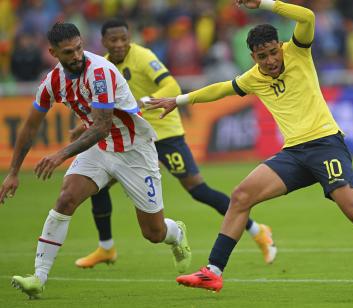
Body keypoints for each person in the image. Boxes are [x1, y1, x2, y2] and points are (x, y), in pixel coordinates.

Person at [148, 0, 353, 293]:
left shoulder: (298, 51)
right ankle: (213, 271)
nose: (270, 60)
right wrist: (178, 100)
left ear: (280, 46)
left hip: (325, 145)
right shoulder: (254, 78)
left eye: (273, 52)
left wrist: (265, 3)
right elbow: (220, 89)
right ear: (253, 57)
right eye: (262, 57)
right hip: (294, 154)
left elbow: (307, 16)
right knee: (241, 196)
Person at [0, 23, 191, 299]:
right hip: (100, 149)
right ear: (53, 53)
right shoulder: (52, 82)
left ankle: (176, 233)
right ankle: (38, 278)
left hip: (134, 150)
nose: (77, 55)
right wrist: (13, 172)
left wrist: (61, 154)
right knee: (66, 199)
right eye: (69, 52)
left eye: (79, 48)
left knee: (153, 231)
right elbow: (29, 126)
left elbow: (102, 125)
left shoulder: (99, 72)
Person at [72, 19, 277, 269]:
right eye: (113, 40)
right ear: (103, 42)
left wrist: (148, 101)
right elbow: (105, 105)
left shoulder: (143, 57)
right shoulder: (103, 67)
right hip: (133, 138)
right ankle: (106, 247)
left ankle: (257, 230)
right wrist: (86, 124)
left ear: (130, 39)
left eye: (123, 39)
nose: (119, 44)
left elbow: (171, 84)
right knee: (99, 183)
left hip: (165, 134)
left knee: (198, 190)